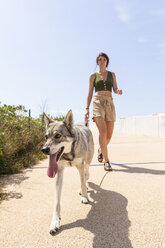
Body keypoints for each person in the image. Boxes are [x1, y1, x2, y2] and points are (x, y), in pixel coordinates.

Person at [85, 52, 122, 171]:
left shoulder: (112, 74)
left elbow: (115, 88)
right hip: (97, 102)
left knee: (109, 134)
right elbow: (90, 93)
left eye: (104, 59)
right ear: (97, 62)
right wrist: (87, 108)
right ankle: (107, 161)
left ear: (107, 62)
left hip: (109, 102)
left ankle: (101, 150)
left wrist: (118, 91)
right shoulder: (93, 76)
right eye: (100, 59)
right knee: (103, 131)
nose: (102, 61)